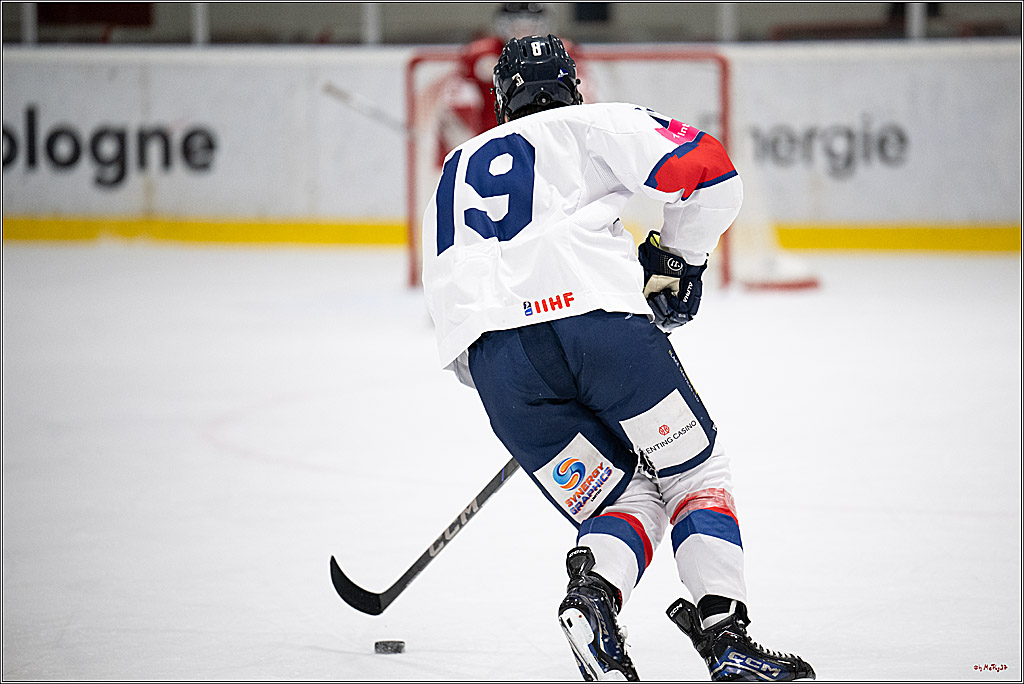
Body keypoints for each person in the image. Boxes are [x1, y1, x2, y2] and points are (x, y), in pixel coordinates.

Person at [420, 34, 816, 682]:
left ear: (501, 100)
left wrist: (517, 373)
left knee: (622, 499)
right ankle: (727, 636)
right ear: (573, 87)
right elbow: (710, 172)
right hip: (599, 331)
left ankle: (594, 602)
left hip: (499, 372)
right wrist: (679, 260)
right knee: (693, 472)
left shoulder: (455, 167)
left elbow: (451, 302)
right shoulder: (594, 122)